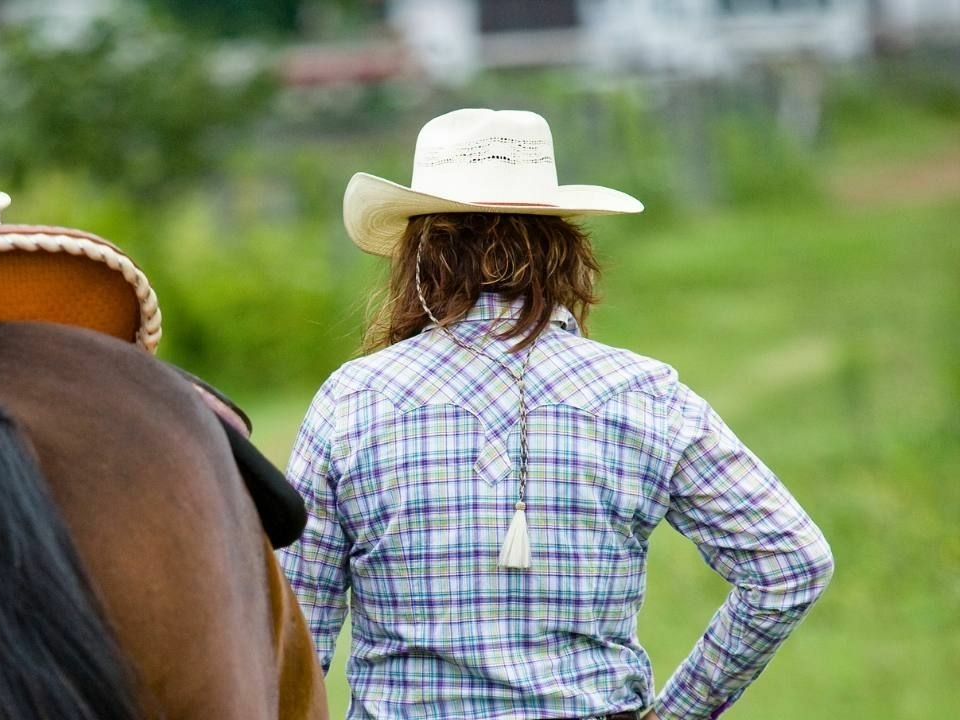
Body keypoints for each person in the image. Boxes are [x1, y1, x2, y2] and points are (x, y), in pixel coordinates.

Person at [277, 108, 834, 720]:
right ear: (562, 246)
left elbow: (294, 634)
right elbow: (789, 564)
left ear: (423, 254)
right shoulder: (643, 392)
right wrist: (678, 713)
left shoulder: (353, 399)